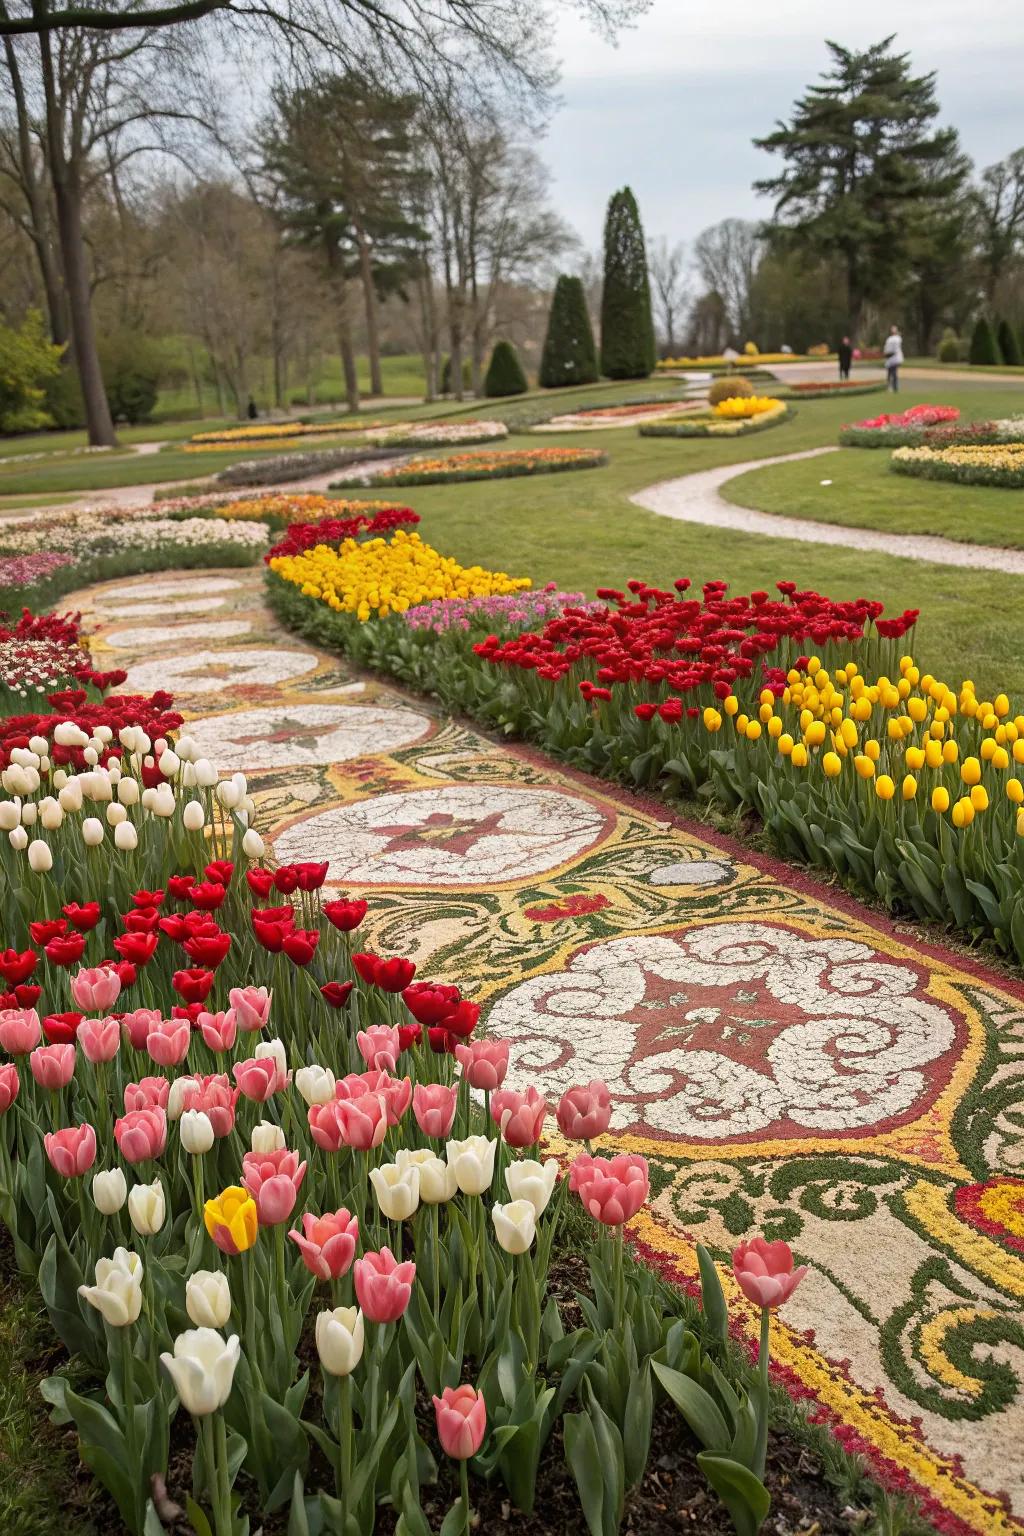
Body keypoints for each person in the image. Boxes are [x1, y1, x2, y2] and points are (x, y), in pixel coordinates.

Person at [883, 326, 903, 393]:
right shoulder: (896, 338)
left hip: (892, 357)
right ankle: (893, 387)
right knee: (892, 373)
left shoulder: (890, 339)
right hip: (893, 357)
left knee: (891, 373)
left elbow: (886, 349)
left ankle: (891, 387)